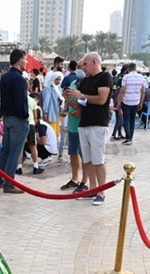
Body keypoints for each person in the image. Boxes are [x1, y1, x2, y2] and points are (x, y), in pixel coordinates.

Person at [65, 52, 113, 206]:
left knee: (98, 160)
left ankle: (101, 192)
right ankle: (92, 189)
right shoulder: (85, 82)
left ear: (94, 62)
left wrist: (81, 95)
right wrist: (70, 100)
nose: (83, 68)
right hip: (84, 123)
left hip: (98, 124)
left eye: (85, 64)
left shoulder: (105, 77)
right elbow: (81, 106)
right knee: (88, 160)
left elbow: (101, 100)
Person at [0, 49, 30, 194]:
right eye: (25, 60)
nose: (26, 63)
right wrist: (25, 115)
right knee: (15, 152)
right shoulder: (19, 79)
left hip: (7, 117)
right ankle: (9, 183)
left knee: (5, 150)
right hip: (18, 119)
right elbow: (21, 101)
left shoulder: (5, 77)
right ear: (19, 61)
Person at [60, 63, 87, 192]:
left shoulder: (88, 85)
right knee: (73, 153)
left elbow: (82, 107)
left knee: (85, 155)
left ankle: (84, 181)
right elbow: (68, 101)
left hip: (83, 125)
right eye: (80, 66)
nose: (81, 68)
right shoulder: (73, 83)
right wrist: (65, 108)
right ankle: (75, 179)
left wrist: (71, 103)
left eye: (84, 65)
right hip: (72, 124)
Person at [115, 63, 145, 145]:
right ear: (135, 68)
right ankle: (130, 137)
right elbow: (143, 91)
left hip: (126, 101)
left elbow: (122, 91)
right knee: (132, 120)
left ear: (128, 69)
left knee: (126, 120)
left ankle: (128, 138)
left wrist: (119, 102)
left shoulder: (126, 77)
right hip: (136, 101)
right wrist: (141, 103)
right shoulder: (142, 77)